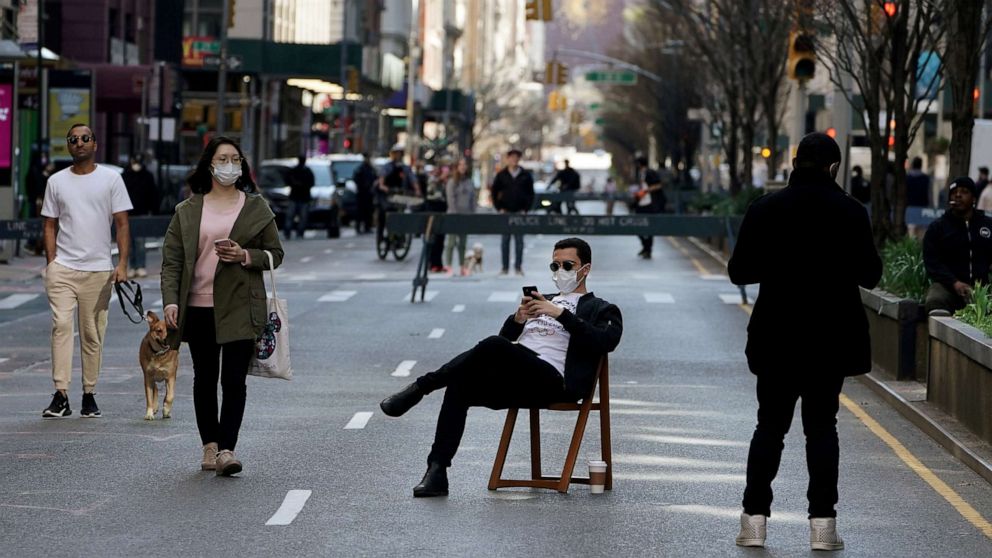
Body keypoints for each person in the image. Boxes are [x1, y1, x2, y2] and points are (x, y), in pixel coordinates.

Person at [728, 132, 882, 551]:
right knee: (822, 429)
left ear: (795, 164)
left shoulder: (765, 208)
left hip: (776, 337)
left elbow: (739, 271)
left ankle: (753, 522)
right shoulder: (851, 211)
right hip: (830, 340)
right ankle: (822, 527)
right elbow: (871, 275)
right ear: (834, 168)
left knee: (769, 427)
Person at [379, 237, 622, 497]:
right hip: (517, 377)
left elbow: (605, 341)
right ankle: (437, 471)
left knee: (494, 345)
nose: (560, 271)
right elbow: (501, 343)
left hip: (554, 381)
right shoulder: (544, 300)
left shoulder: (602, 309)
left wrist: (561, 314)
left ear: (585, 269)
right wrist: (518, 318)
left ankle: (421, 387)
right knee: (460, 385)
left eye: (568, 265)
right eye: (555, 266)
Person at [160, 136, 284, 476]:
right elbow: (172, 262)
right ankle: (210, 445)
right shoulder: (187, 210)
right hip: (198, 306)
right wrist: (171, 302)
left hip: (241, 305)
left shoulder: (256, 208)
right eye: (222, 159)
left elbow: (276, 254)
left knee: (233, 380)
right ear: (209, 165)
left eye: (235, 159)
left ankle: (228, 449)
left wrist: (245, 255)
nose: (230, 165)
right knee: (204, 378)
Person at [41, 124, 133, 419]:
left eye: (85, 138)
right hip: (63, 269)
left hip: (98, 271)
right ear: (68, 146)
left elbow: (122, 224)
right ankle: (60, 394)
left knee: (92, 334)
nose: (79, 142)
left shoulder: (111, 179)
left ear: (95, 144)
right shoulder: (56, 181)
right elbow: (49, 224)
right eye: (73, 139)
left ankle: (89, 393)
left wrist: (122, 265)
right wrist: (52, 263)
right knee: (61, 326)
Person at [922, 177, 992, 316]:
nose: (958, 195)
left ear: (974, 198)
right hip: (948, 287)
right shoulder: (938, 227)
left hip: (982, 289)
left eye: (964, 192)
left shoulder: (987, 225)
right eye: (954, 192)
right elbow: (932, 262)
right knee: (935, 300)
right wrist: (954, 282)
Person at [491, 148, 535, 275]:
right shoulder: (502, 175)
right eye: (512, 157)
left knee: (519, 241)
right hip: (506, 211)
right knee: (505, 241)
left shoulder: (525, 175)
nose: (514, 160)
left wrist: (526, 209)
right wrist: (499, 208)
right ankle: (505, 267)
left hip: (520, 212)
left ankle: (518, 267)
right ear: (508, 159)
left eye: (516, 158)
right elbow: (494, 192)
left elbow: (531, 194)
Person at [122, 154, 159, 278]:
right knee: (130, 242)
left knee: (140, 242)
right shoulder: (126, 176)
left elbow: (152, 194)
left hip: (141, 212)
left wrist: (152, 210)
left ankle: (140, 266)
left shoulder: (147, 176)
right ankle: (133, 266)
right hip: (128, 213)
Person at [376, 144, 417, 242]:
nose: (398, 156)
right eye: (396, 153)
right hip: (388, 195)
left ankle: (401, 235)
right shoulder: (387, 167)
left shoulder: (405, 168)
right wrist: (386, 189)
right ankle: (381, 236)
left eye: (400, 154)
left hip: (401, 195)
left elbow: (413, 180)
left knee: (403, 212)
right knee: (383, 214)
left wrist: (417, 190)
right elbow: (381, 182)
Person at [444, 158, 477, 275]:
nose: (463, 167)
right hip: (454, 215)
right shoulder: (452, 181)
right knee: (451, 242)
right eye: (460, 164)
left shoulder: (469, 182)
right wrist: (454, 213)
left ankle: (462, 266)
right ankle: (448, 266)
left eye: (465, 164)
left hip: (465, 215)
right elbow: (450, 199)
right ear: (457, 167)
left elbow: (473, 198)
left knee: (462, 243)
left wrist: (472, 213)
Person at [633, 156, 665, 259]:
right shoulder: (640, 174)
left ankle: (648, 249)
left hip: (650, 203)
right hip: (641, 203)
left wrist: (645, 191)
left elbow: (659, 185)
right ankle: (645, 246)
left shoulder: (650, 172)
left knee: (649, 226)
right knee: (637, 226)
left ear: (640, 164)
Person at [284, 155, 315, 240]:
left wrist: (297, 184)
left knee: (292, 216)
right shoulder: (306, 171)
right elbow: (312, 183)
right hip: (301, 197)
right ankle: (297, 232)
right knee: (300, 217)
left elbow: (287, 180)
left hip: (297, 197)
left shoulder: (297, 171)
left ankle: (290, 232)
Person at [352, 153, 377, 234]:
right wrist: (362, 185)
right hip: (361, 193)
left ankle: (367, 227)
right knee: (360, 211)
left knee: (368, 211)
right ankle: (358, 227)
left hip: (369, 193)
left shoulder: (371, 169)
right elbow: (356, 178)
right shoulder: (360, 168)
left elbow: (375, 178)